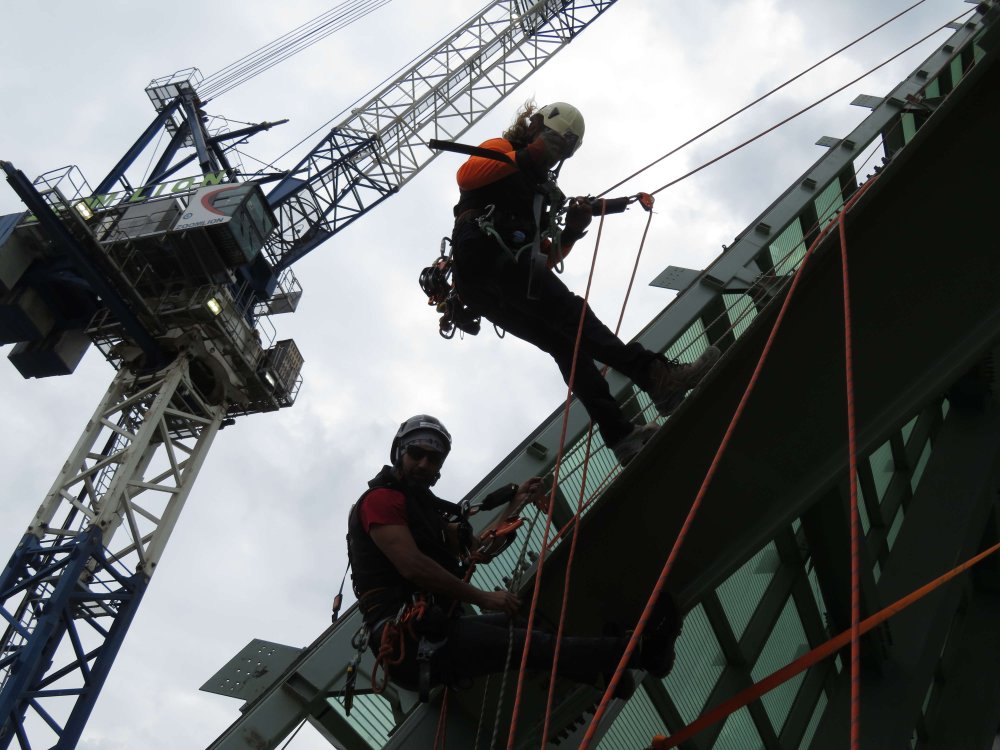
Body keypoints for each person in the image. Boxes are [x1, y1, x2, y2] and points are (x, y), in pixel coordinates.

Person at [449, 100, 719, 465]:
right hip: (480, 254)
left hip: (494, 282)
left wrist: (574, 230)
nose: (553, 154)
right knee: (572, 314)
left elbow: (546, 255)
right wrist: (531, 155)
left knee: (566, 345)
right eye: (552, 141)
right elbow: (467, 176)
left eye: (561, 149)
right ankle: (657, 378)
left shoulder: (540, 195)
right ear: (534, 127)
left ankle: (622, 436)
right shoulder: (502, 150)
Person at [347, 414, 682, 697]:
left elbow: (476, 549)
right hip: (409, 641)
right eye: (416, 454)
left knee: (527, 623)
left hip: (431, 632)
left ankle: (602, 672)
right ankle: (643, 654)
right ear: (399, 454)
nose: (423, 464)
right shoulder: (381, 501)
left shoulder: (427, 517)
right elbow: (412, 566)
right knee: (526, 645)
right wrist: (483, 597)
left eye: (432, 459)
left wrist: (517, 502)